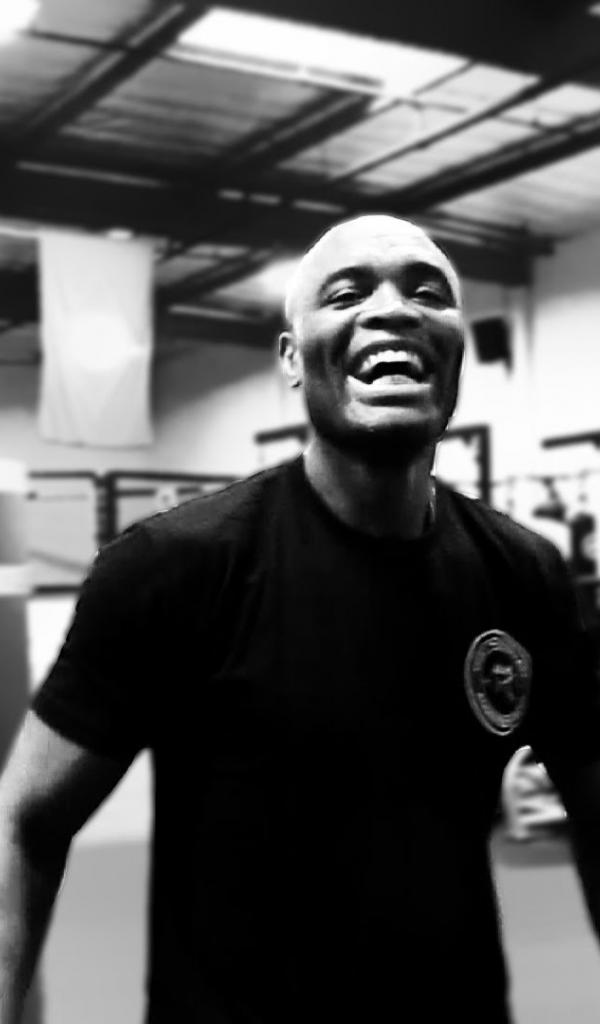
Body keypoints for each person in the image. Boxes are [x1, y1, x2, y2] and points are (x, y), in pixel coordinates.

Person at [0, 213, 599, 1024]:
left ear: (456, 346)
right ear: (291, 357)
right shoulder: (174, 567)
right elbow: (25, 818)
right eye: (346, 293)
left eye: (427, 292)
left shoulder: (524, 575)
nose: (392, 309)